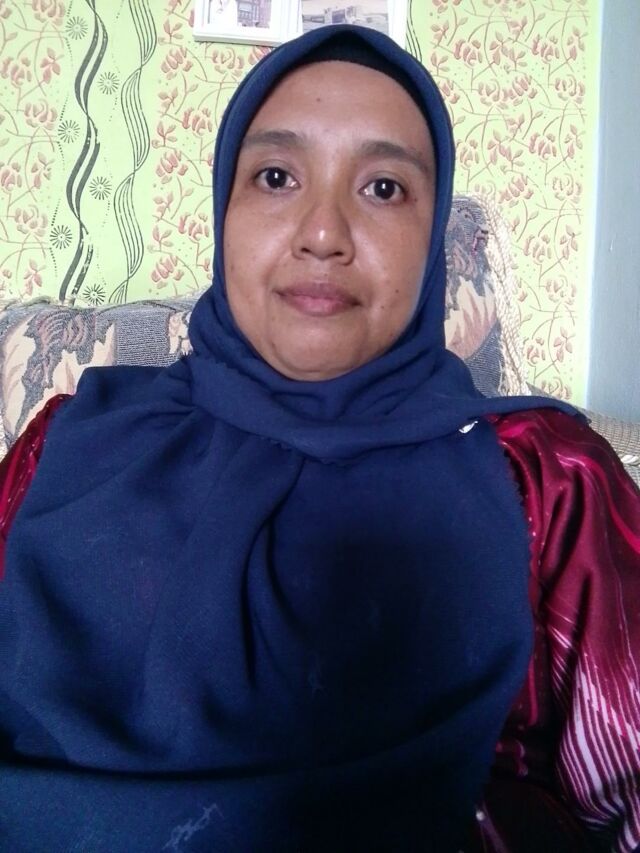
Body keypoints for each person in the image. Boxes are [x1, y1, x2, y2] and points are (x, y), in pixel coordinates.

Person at [0, 24, 638, 853]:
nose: (324, 231)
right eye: (276, 177)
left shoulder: (549, 484)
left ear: (433, 237)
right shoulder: (64, 446)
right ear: (224, 211)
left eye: (383, 188)